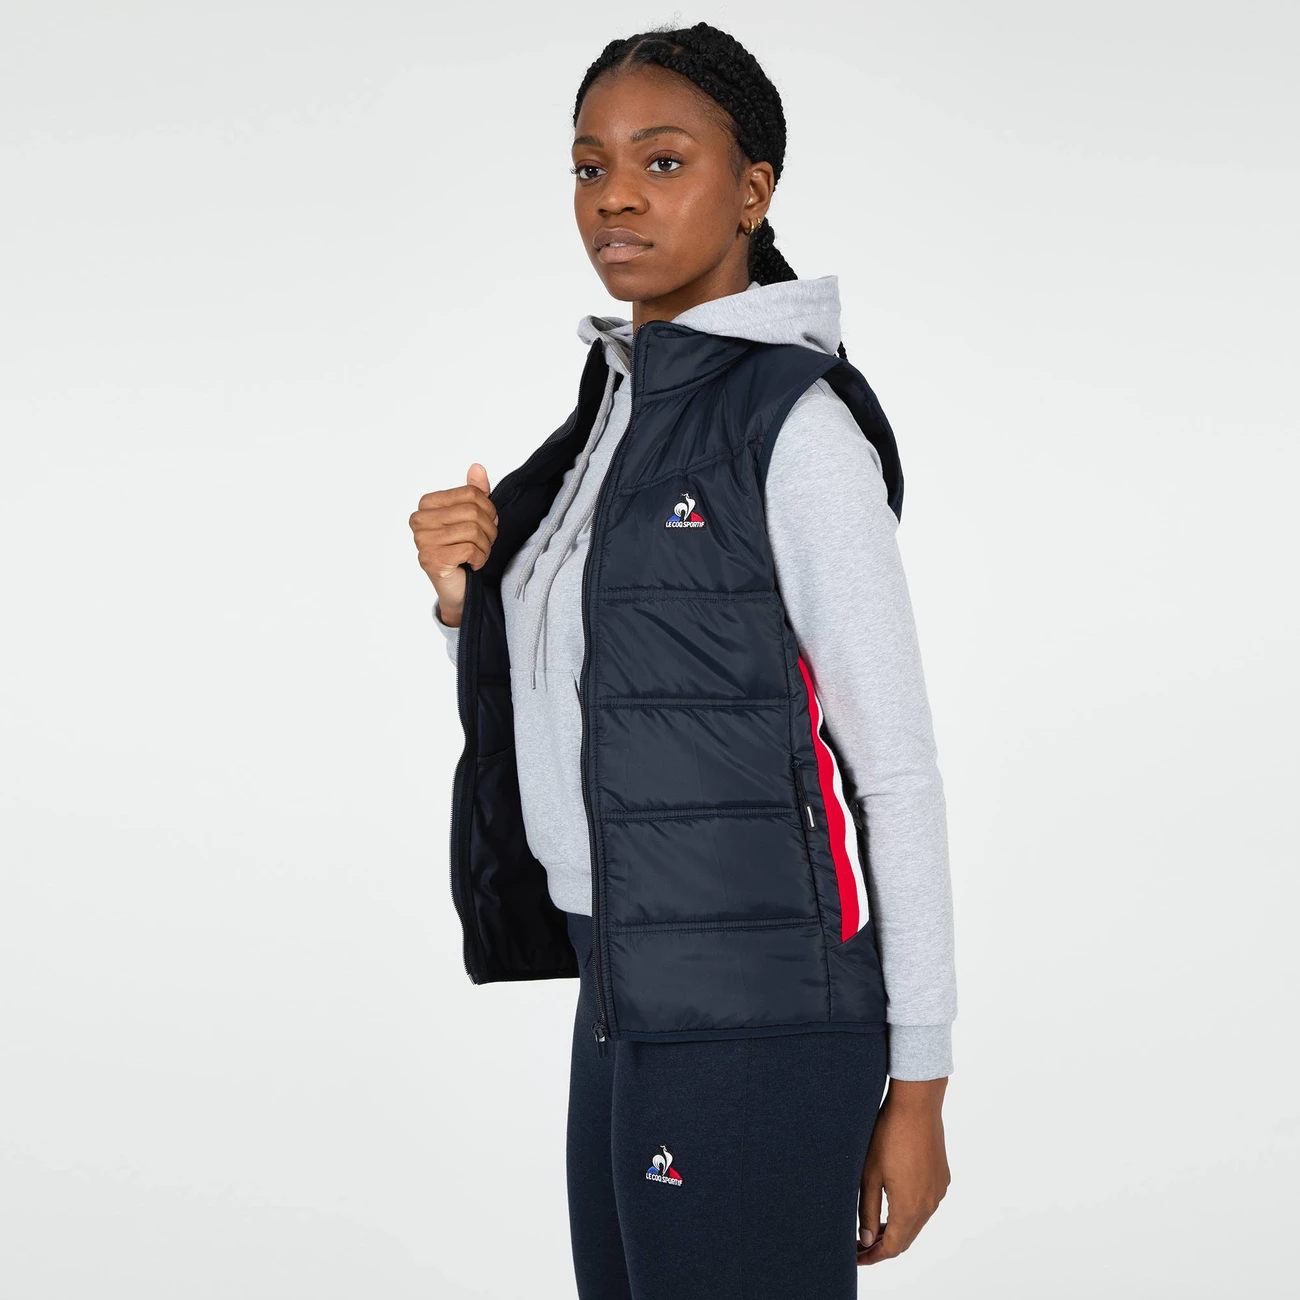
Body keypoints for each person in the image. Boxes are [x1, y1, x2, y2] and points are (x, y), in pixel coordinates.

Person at [409, 22, 956, 1299]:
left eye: (662, 162)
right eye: (589, 167)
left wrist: (919, 1081)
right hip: (625, 976)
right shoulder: (610, 416)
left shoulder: (794, 427)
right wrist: (459, 606)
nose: (615, 197)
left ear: (752, 189)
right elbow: (594, 702)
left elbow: (895, 772)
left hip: (757, 1005)